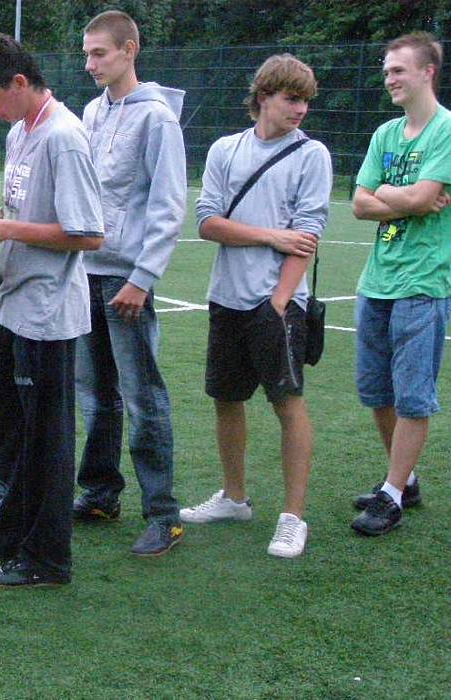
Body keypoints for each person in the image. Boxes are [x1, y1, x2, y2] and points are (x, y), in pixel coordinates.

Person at [0, 33, 104, 587]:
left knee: (46, 439)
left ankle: (47, 557)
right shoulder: (20, 132)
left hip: (48, 314)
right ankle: (7, 529)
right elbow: (21, 211)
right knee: (4, 423)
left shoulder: (64, 137)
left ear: (19, 82)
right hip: (11, 303)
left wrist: (6, 229)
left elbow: (89, 234)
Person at [182, 54, 332, 559]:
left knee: (287, 403)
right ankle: (234, 498)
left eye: (306, 100)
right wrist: (272, 235)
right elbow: (207, 222)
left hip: (279, 305)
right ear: (264, 96)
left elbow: (306, 236)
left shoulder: (312, 155)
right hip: (226, 298)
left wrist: (279, 302)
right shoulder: (226, 149)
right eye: (292, 98)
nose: (301, 109)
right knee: (226, 397)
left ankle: (293, 518)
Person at [73, 10, 187, 557]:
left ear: (129, 50)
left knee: (143, 397)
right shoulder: (91, 112)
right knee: (95, 396)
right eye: (87, 54)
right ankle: (101, 494)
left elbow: (168, 206)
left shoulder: (158, 119)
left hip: (125, 280)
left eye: (99, 53)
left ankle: (164, 514)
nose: (90, 64)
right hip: (83, 273)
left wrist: (143, 279)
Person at [349, 32, 450, 536]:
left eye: (398, 70)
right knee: (377, 391)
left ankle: (391, 494)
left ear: (427, 72)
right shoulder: (385, 134)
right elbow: (359, 203)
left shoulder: (446, 130)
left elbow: (425, 197)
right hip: (377, 281)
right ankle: (403, 481)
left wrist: (390, 194)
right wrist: (402, 195)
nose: (389, 78)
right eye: (386, 70)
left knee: (412, 396)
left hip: (422, 283)